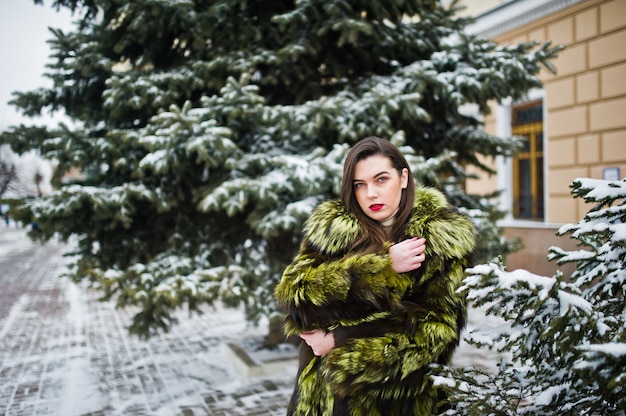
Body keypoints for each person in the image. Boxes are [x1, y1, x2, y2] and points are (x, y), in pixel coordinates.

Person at [274, 136, 477, 415]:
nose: (371, 194)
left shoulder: (440, 237)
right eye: (360, 184)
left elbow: (436, 331)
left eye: (381, 179)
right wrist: (381, 269)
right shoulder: (333, 231)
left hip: (397, 402)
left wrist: (338, 339)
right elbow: (295, 297)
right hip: (321, 400)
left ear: (403, 177)